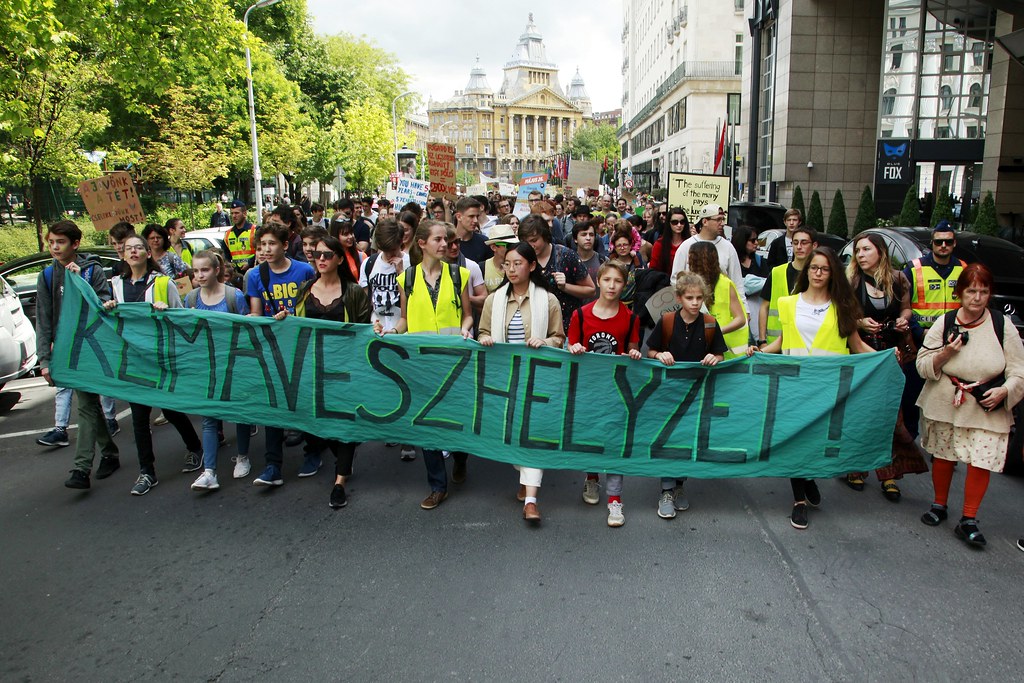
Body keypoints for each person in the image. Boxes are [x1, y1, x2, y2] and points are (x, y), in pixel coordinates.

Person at [747, 247, 873, 529]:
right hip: (794, 385)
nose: (817, 273)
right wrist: (760, 352)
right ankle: (799, 500)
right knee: (796, 441)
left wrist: (885, 358)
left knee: (816, 442)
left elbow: (856, 345)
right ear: (806, 271)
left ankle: (809, 477)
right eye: (813, 268)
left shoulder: (843, 306)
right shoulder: (789, 303)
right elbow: (781, 343)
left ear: (833, 274)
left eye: (824, 269)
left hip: (829, 389)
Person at [916, 263, 1024, 548]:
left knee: (981, 460)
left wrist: (1004, 391)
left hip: (985, 404)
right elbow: (923, 364)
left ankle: (969, 519)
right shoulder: (945, 322)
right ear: (960, 293)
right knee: (944, 455)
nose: (977, 298)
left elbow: (1019, 371)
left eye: (983, 292)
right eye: (971, 291)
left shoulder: (1003, 325)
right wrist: (945, 353)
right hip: (945, 400)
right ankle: (939, 505)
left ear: (990, 294)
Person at [103, 234, 203, 496]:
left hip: (159, 358)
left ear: (148, 253)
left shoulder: (162, 283)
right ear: (122, 254)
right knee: (139, 417)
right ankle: (147, 471)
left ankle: (194, 447)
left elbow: (181, 316)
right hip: (133, 361)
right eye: (128, 248)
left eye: (139, 248)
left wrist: (166, 311)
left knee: (170, 410)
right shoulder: (115, 286)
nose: (133, 252)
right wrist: (109, 307)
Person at [478, 242, 564, 522]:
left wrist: (546, 341)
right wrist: (486, 339)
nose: (512, 269)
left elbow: (559, 338)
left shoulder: (547, 300)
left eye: (518, 263)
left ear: (532, 266)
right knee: (514, 435)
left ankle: (531, 500)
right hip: (503, 381)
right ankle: (525, 480)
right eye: (508, 264)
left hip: (537, 379)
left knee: (532, 436)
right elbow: (482, 333)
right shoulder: (494, 300)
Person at [394, 219, 473, 509]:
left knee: (457, 418)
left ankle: (461, 458)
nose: (445, 245)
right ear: (422, 243)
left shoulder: (458, 274)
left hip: (455, 362)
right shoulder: (407, 278)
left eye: (447, 240)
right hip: (421, 364)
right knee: (425, 422)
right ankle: (437, 486)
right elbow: (403, 319)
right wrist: (391, 332)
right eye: (439, 240)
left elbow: (467, 314)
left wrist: (466, 328)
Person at [37, 221, 121, 490]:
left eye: (60, 242)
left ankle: (81, 468)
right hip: (65, 350)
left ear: (75, 244)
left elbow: (104, 305)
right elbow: (44, 320)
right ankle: (109, 452)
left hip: (89, 349)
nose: (54, 247)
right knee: (89, 405)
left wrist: (78, 281)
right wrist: (44, 360)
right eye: (51, 242)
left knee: (85, 404)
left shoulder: (91, 271)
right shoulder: (47, 276)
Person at [844, 232, 928, 499]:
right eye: (857, 250)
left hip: (893, 354)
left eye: (866, 250)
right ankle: (856, 467)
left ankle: (889, 473)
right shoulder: (851, 280)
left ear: (880, 251)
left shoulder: (899, 278)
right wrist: (858, 323)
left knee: (891, 413)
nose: (860, 255)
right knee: (860, 412)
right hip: (861, 353)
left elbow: (907, 308)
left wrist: (904, 320)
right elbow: (842, 314)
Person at [295, 236, 370, 508]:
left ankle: (340, 481)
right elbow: (296, 328)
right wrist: (284, 320)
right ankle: (342, 457)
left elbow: (364, 332)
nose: (322, 259)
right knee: (319, 423)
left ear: (340, 258)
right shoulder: (304, 291)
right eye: (317, 254)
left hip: (346, 370)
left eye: (328, 254)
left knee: (345, 423)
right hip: (315, 369)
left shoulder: (353, 292)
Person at [646, 273, 727, 519]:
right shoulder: (668, 321)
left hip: (697, 394)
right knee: (670, 441)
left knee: (688, 441)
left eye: (699, 298)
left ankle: (680, 485)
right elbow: (651, 350)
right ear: (679, 298)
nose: (694, 302)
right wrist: (659, 355)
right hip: (669, 393)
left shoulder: (711, 323)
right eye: (689, 297)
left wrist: (716, 358)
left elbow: (720, 354)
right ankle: (667, 489)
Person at [568, 260, 642, 526]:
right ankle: (591, 478)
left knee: (615, 442)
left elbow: (632, 349)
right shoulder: (581, 315)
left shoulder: (631, 317)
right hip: (588, 389)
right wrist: (574, 348)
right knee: (590, 437)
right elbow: (571, 346)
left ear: (625, 285)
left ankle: (615, 500)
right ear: (598, 281)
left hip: (616, 392)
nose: (612, 285)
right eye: (607, 280)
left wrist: (634, 353)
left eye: (618, 281)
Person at [245, 222, 316, 487]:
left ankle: (313, 453)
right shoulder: (255, 275)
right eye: (261, 244)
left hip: (301, 347)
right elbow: (256, 311)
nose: (265, 249)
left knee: (305, 402)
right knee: (272, 406)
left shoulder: (304, 270)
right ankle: (272, 465)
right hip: (272, 349)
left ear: (285, 245)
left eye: (271, 243)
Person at [183, 250, 252, 490]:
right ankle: (209, 471)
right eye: (196, 270)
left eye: (205, 269)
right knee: (209, 417)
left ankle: (243, 456)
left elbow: (248, 330)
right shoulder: (191, 300)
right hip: (207, 367)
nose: (200, 275)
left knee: (240, 413)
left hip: (235, 366)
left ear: (217, 270)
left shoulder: (234, 296)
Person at [902, 220, 966, 438]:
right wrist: (919, 332)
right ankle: (910, 437)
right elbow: (904, 306)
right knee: (912, 393)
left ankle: (941, 442)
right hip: (921, 340)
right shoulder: (914, 269)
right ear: (932, 243)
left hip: (953, 344)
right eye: (939, 242)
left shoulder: (963, 270)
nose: (943, 246)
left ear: (954, 243)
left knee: (947, 395)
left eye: (948, 242)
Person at [363, 219, 415, 462]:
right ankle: (392, 427)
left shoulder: (410, 262)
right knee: (385, 383)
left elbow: (415, 299)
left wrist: (402, 274)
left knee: (406, 382)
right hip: (378, 328)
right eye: (385, 249)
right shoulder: (370, 264)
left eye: (393, 248)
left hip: (403, 330)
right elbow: (366, 299)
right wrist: (368, 323)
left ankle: (407, 437)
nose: (390, 253)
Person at [518, 214, 595, 334]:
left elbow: (590, 290)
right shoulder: (522, 258)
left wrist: (565, 287)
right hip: (534, 328)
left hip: (566, 328)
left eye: (534, 240)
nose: (530, 246)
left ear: (545, 236)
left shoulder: (566, 255)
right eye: (526, 242)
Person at [687, 241, 748, 358]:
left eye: (691, 258)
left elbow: (740, 319)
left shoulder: (725, 284)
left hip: (728, 353)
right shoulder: (692, 284)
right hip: (703, 348)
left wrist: (717, 331)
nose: (688, 262)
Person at [758, 226, 818, 346]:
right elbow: (764, 307)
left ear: (814, 245)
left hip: (806, 343)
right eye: (795, 243)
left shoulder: (818, 275)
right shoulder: (777, 272)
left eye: (804, 242)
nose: (799, 247)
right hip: (775, 344)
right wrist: (762, 340)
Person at [671, 204, 743, 289]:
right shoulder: (686, 246)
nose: (723, 223)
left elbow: (737, 283)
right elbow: (675, 280)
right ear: (705, 221)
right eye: (718, 220)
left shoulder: (728, 247)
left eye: (723, 219)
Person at [732, 225, 768, 341]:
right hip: (736, 309)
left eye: (757, 240)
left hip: (757, 310)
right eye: (752, 240)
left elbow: (767, 284)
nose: (756, 243)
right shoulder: (732, 261)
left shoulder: (759, 261)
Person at [607, 223, 646, 308]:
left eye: (625, 245)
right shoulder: (610, 264)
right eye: (619, 246)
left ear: (630, 245)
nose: (622, 248)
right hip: (614, 305)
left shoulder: (638, 263)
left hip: (634, 305)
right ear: (615, 247)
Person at [573, 219, 605, 305]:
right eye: (583, 235)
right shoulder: (569, 262)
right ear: (575, 239)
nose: (588, 238)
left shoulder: (603, 261)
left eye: (591, 235)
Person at [650, 207, 689, 275]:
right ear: (669, 223)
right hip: (664, 282)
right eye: (675, 222)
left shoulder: (690, 243)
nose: (679, 225)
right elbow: (653, 269)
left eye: (682, 222)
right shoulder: (659, 244)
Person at [453, 196, 492, 264]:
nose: (475, 220)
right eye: (471, 216)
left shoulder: (485, 242)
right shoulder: (447, 242)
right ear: (459, 217)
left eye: (477, 216)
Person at [225, 200, 256, 275]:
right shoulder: (228, 234)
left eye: (236, 213)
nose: (234, 216)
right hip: (235, 274)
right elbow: (226, 255)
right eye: (232, 213)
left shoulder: (254, 230)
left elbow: (261, 252)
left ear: (244, 213)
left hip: (252, 271)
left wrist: (249, 262)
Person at [482, 227, 517, 293]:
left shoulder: (519, 266)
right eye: (508, 245)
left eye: (514, 244)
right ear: (493, 247)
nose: (512, 248)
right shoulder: (483, 267)